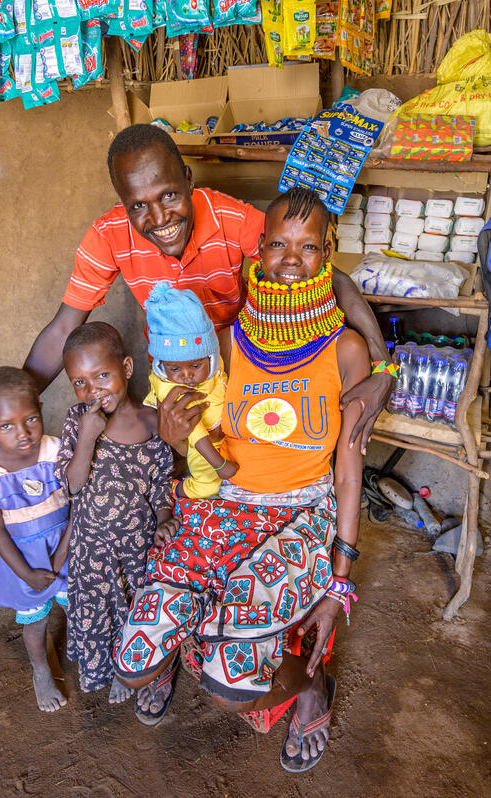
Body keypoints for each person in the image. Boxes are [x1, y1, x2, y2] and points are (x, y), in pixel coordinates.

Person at [0, 124, 393, 483]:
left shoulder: (231, 217)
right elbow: (61, 331)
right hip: (170, 377)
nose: (160, 218)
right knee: (171, 475)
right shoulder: (107, 236)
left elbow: (328, 276)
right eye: (139, 206)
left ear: (188, 180)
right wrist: (5, 420)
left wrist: (382, 366)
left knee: (242, 462)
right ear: (123, 205)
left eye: (168, 195)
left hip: (241, 368)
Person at [114, 188, 371, 772]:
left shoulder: (349, 350)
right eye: (277, 243)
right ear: (258, 249)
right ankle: (188, 639)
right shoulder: (227, 342)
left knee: (232, 683)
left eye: (308, 247)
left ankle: (312, 689)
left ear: (328, 252)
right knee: (133, 661)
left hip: (299, 514)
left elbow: (349, 474)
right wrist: (177, 441)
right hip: (222, 507)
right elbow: (198, 441)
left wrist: (339, 582)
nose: (289, 258)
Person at [58, 322, 176, 714]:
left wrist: (162, 519)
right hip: (91, 547)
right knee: (97, 612)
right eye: (80, 383)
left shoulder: (153, 423)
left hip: (135, 547)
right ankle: (107, 671)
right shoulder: (78, 421)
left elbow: (160, 486)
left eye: (102, 376)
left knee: (133, 610)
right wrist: (88, 436)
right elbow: (72, 486)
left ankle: (132, 673)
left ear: (126, 368)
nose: (92, 391)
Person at [0, 367, 70, 713]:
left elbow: (78, 504)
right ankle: (40, 671)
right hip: (22, 561)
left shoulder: (57, 450)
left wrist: (62, 554)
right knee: (35, 622)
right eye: (7, 426)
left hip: (66, 547)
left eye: (31, 419)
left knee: (80, 608)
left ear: (40, 408)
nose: (23, 434)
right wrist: (28, 575)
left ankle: (93, 654)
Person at [141, 281, 235, 499]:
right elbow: (195, 431)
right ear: (161, 364)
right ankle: (170, 490)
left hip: (227, 436)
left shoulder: (214, 362)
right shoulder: (169, 386)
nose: (186, 376)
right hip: (203, 448)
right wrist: (219, 464)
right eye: (174, 368)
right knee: (207, 487)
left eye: (195, 366)